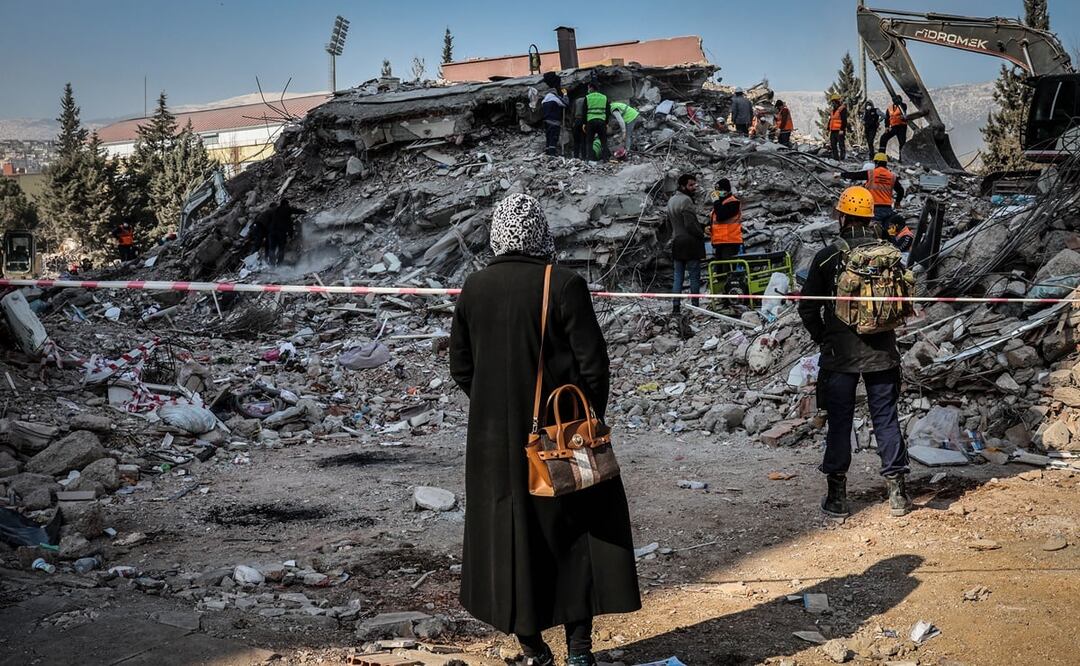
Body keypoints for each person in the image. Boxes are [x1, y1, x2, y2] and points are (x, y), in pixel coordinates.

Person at [449, 193, 641, 666]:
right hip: (559, 441)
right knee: (577, 537)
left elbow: (461, 366)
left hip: (493, 445)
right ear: (540, 232)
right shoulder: (564, 283)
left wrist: (495, 408)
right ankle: (579, 651)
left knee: (510, 541)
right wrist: (580, 419)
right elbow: (593, 367)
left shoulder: (474, 288)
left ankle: (533, 650)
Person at [798, 186, 912, 520]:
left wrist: (824, 338)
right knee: (886, 418)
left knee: (839, 422)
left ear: (843, 216)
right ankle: (898, 496)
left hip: (840, 355)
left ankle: (837, 498)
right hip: (883, 351)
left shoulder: (829, 256)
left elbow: (807, 309)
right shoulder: (888, 254)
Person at [667, 174, 706, 322]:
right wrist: (701, 233)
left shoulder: (671, 201)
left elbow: (669, 224)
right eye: (691, 185)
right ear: (683, 186)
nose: (694, 187)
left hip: (677, 241)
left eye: (694, 184)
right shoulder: (686, 200)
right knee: (694, 275)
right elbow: (690, 224)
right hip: (690, 243)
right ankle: (695, 305)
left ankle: (676, 307)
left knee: (678, 276)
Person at [837, 152, 904, 223]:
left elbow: (855, 175)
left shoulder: (871, 173)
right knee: (886, 231)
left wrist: (840, 174)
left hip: (874, 208)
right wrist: (897, 202)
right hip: (888, 209)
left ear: (876, 163)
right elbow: (901, 190)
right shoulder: (892, 176)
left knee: (873, 230)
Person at [266, 198, 307, 265]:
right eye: (288, 204)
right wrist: (305, 212)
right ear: (286, 204)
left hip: (271, 232)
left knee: (272, 248)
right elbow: (296, 211)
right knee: (281, 248)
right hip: (280, 232)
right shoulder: (286, 209)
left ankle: (272, 264)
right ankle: (279, 265)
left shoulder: (275, 210)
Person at [709, 178, 742, 260]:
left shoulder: (733, 202)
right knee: (719, 270)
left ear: (726, 190)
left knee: (727, 269)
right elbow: (715, 219)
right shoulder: (721, 203)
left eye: (719, 190)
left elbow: (721, 216)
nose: (717, 193)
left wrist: (716, 202)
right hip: (719, 242)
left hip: (730, 242)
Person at [583, 83, 610, 162]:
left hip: (591, 121)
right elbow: (607, 111)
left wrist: (584, 123)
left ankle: (590, 159)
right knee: (603, 141)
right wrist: (606, 122)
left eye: (588, 88)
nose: (588, 90)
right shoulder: (604, 97)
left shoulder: (587, 97)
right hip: (601, 121)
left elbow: (584, 111)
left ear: (591, 88)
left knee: (589, 141)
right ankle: (606, 158)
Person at [541, 87, 569, 157]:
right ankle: (552, 154)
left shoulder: (544, 100)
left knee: (548, 137)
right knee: (554, 137)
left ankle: (547, 152)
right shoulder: (555, 99)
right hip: (554, 121)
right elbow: (565, 104)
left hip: (546, 121)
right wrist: (565, 95)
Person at [827, 94, 848, 162]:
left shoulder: (842, 109)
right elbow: (831, 120)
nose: (833, 103)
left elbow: (844, 120)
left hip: (839, 130)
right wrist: (828, 128)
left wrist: (842, 129)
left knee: (841, 145)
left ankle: (842, 158)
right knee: (833, 145)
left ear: (837, 101)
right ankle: (836, 158)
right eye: (832, 102)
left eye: (834, 101)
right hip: (833, 130)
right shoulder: (833, 110)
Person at [571, 95, 588, 159]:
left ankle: (576, 157)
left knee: (576, 141)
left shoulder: (576, 101)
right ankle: (584, 157)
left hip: (576, 121)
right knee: (583, 140)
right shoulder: (587, 100)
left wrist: (571, 123)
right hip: (584, 121)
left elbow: (573, 112)